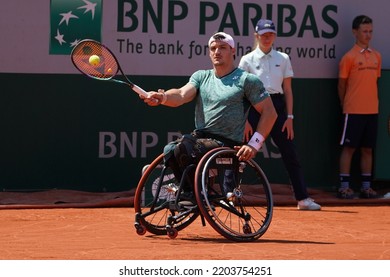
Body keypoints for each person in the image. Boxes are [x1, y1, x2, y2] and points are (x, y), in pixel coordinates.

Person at [141, 32, 277, 198]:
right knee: (170, 149)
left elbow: (270, 113)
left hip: (226, 143)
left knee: (185, 147)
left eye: (222, 48)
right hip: (201, 139)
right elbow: (182, 94)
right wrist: (163, 97)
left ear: (233, 51)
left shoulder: (247, 80)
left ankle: (194, 194)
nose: (217, 52)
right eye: (213, 48)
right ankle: (191, 191)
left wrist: (254, 144)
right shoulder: (201, 76)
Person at [238, 19, 321, 210]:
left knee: (290, 153)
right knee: (242, 152)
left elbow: (288, 90)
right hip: (254, 106)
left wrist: (290, 118)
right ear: (257, 36)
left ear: (275, 36)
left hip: (277, 108)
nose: (267, 38)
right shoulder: (247, 60)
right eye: (264, 35)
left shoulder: (283, 58)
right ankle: (230, 194)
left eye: (271, 34)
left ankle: (302, 199)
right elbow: (241, 92)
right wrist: (244, 120)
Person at [337, 15, 381, 199]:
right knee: (349, 149)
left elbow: (375, 82)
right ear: (355, 32)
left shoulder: (377, 56)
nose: (368, 35)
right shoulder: (349, 57)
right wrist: (345, 105)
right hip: (353, 111)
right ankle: (344, 186)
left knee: (368, 149)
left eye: (370, 31)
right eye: (365, 31)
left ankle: (366, 186)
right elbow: (342, 86)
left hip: (372, 111)